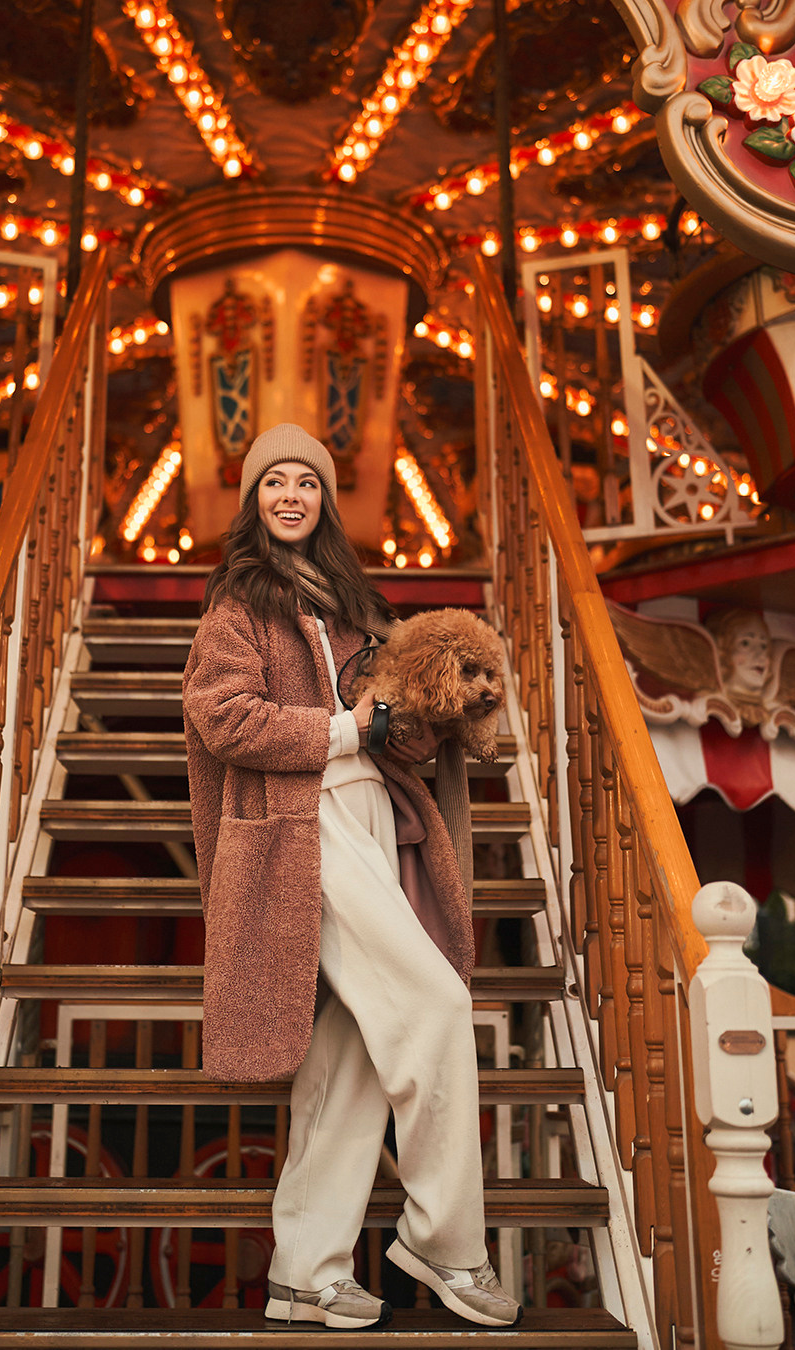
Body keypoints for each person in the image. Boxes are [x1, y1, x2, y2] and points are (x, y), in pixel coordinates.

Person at [182, 423, 521, 1330]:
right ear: (253, 502)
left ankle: (305, 1271)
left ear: (326, 500)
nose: (290, 495)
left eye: (306, 482)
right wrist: (347, 733)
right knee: (436, 1008)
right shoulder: (238, 608)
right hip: (301, 828)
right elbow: (224, 718)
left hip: (373, 819)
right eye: (272, 483)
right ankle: (446, 1244)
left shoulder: (356, 605)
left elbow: (389, 722)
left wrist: (435, 710)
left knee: (355, 1054)